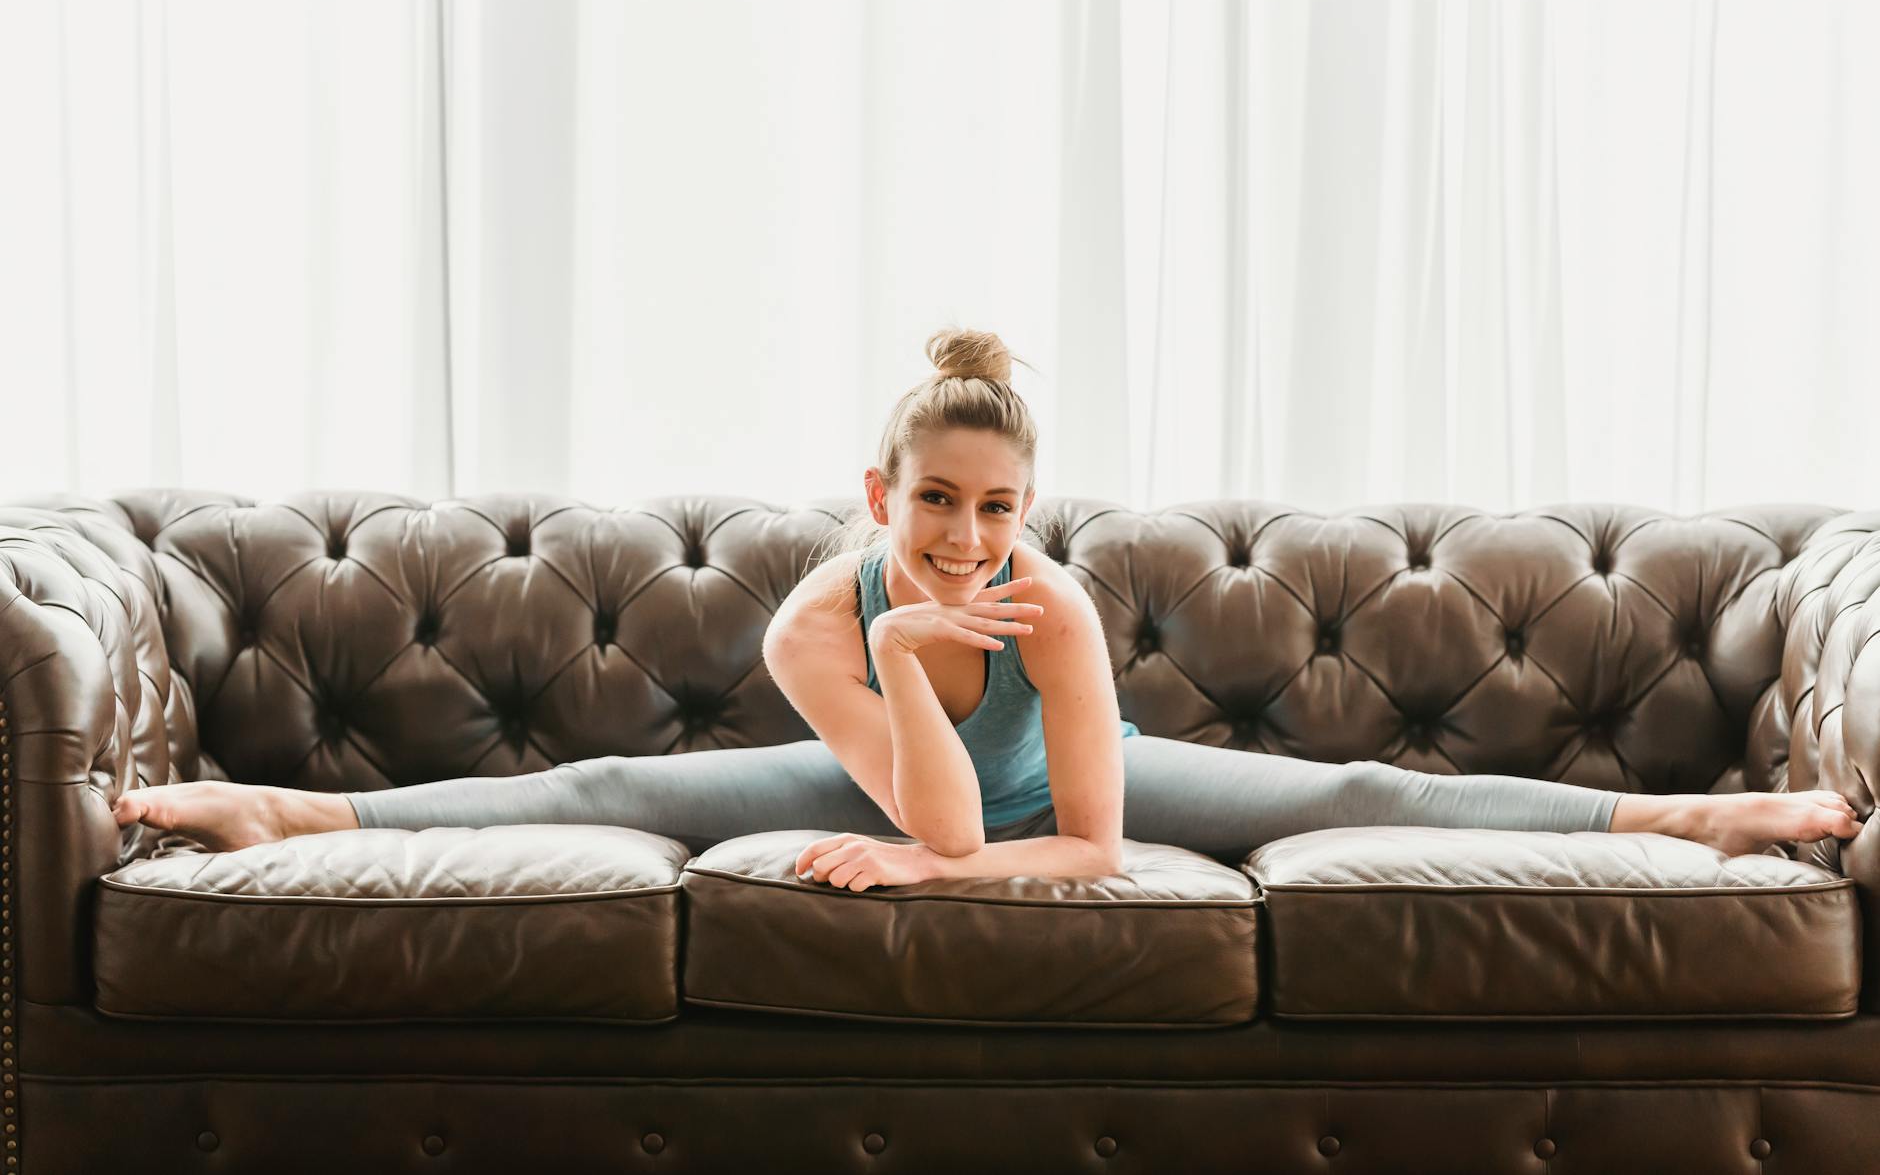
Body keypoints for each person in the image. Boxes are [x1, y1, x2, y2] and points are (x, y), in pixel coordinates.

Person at [112, 328, 1863, 889]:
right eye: (936, 504)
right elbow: (928, 821)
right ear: (879, 501)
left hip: (1059, 797)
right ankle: (289, 803)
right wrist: (889, 646)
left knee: (1355, 797)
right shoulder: (823, 618)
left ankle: (1704, 813)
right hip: (886, 769)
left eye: (998, 506)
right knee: (608, 793)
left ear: (1034, 511)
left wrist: (945, 852)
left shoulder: (1065, 609)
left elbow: (1084, 850)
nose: (967, 538)